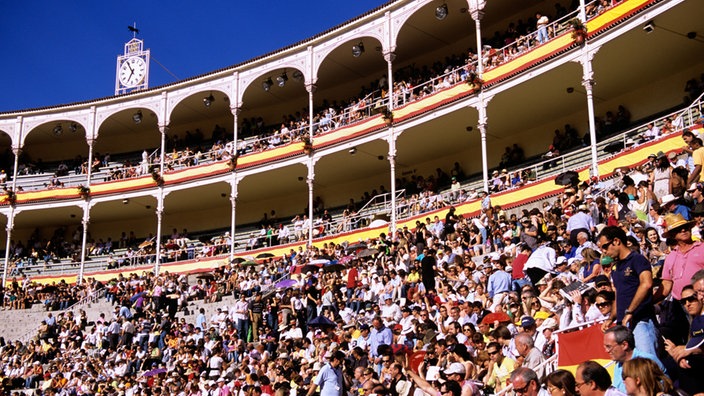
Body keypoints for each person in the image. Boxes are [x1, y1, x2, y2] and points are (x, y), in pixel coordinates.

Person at [597, 226, 659, 357]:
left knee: (649, 365)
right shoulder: (616, 267)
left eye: (605, 246)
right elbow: (618, 295)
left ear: (616, 241)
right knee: (632, 369)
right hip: (624, 324)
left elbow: (647, 284)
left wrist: (630, 311)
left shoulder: (638, 259)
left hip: (641, 320)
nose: (604, 251)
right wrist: (611, 318)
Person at [603, 326, 665, 393]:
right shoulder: (618, 366)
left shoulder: (647, 360)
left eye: (609, 347)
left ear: (624, 345)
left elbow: (664, 386)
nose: (606, 351)